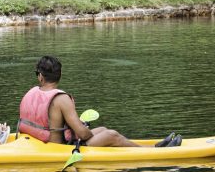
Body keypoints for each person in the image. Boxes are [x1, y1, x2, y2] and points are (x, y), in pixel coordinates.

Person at [17, 55, 181, 148]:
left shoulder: (31, 93)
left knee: (102, 129)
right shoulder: (61, 99)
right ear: (60, 75)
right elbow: (82, 134)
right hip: (59, 149)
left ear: (40, 76)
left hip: (40, 143)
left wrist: (80, 129)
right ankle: (152, 151)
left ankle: (149, 147)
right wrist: (84, 129)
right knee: (112, 135)